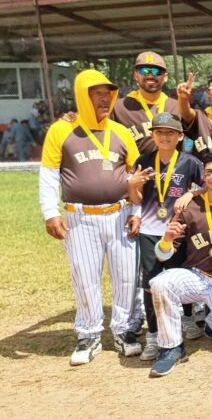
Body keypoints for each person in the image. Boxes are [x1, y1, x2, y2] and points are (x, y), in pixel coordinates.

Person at [39, 69, 142, 365]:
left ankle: (125, 330)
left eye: (108, 93)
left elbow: (135, 176)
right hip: (80, 217)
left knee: (126, 277)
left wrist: (135, 211)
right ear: (82, 95)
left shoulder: (121, 132)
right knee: (85, 278)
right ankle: (89, 333)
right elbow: (48, 175)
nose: (104, 98)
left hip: (120, 212)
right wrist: (50, 212)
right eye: (96, 93)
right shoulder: (62, 130)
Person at [147, 152, 212, 376]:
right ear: (203, 176)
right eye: (209, 172)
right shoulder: (189, 207)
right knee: (161, 283)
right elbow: (163, 256)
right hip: (198, 277)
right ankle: (171, 347)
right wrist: (166, 240)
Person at [127, 113, 204, 362]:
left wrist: (192, 195)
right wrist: (132, 185)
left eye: (170, 132)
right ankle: (153, 335)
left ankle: (188, 319)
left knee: (180, 275)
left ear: (180, 136)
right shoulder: (144, 160)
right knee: (150, 282)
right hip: (150, 231)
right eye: (159, 132)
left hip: (178, 230)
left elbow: (206, 187)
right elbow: (136, 198)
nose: (165, 136)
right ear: (152, 135)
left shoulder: (190, 162)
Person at [113, 52, 180, 155]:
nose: (150, 75)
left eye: (156, 71)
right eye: (144, 71)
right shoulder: (119, 108)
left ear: (165, 77)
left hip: (173, 169)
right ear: (136, 75)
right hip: (137, 169)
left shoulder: (177, 107)